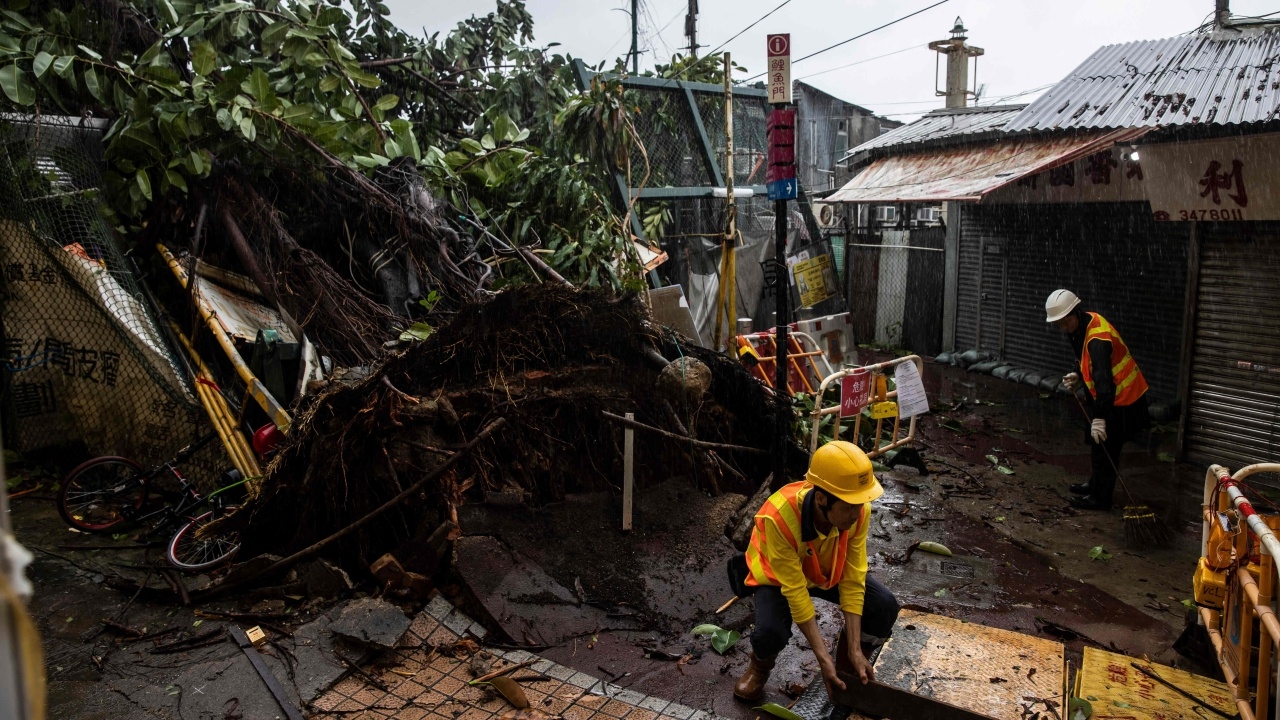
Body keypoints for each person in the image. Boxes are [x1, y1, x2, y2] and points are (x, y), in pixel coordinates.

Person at [727, 441, 899, 702]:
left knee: (884, 605)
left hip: (825, 572)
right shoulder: (778, 517)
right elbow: (796, 593)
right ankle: (759, 666)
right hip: (778, 577)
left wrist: (854, 647)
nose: (858, 512)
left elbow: (853, 579)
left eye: (860, 503)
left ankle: (849, 664)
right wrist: (822, 659)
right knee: (770, 632)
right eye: (850, 505)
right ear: (821, 499)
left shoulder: (857, 512)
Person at [1045, 289, 1150, 511]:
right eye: (1059, 325)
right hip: (1104, 397)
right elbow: (1083, 359)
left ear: (1075, 313)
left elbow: (1104, 383)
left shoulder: (1098, 340)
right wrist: (1077, 374)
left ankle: (1101, 499)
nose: (1063, 329)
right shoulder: (1081, 325)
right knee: (1096, 442)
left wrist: (1101, 417)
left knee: (1107, 447)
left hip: (1123, 399)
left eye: (1065, 323)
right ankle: (1094, 484)